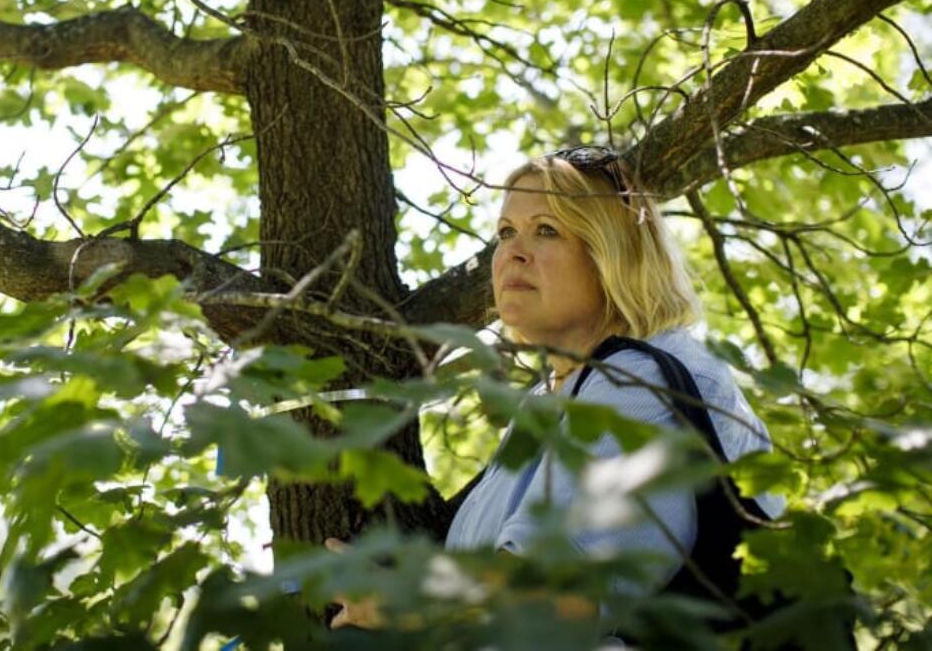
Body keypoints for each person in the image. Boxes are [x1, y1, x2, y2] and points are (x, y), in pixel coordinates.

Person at [330, 146, 783, 631]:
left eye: (547, 230)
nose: (513, 252)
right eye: (506, 232)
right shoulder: (551, 399)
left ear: (611, 253)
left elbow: (562, 593)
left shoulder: (641, 379)